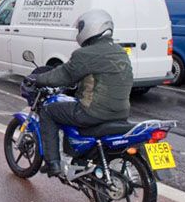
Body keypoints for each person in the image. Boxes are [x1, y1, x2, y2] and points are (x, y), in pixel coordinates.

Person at [25, 9, 133, 177]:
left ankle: (53, 162)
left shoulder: (86, 54)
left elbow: (62, 75)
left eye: (80, 27)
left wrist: (38, 79)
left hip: (94, 112)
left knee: (48, 111)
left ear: (89, 27)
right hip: (121, 112)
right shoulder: (119, 50)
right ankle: (82, 160)